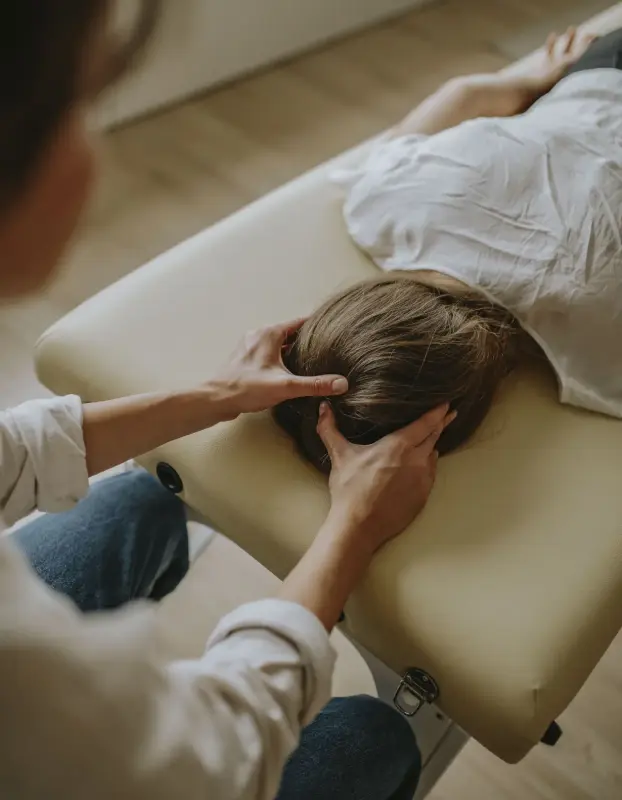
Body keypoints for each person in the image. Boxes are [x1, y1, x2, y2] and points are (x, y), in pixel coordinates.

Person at [0, 2, 457, 799]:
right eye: (84, 101)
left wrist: (212, 396)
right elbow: (220, 764)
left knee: (135, 505)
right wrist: (350, 530)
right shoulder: (22, 676)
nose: (97, 145)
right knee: (371, 734)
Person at [276, 27, 622, 472]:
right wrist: (534, 79)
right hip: (601, 75)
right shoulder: (382, 202)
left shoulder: (597, 351)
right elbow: (462, 94)